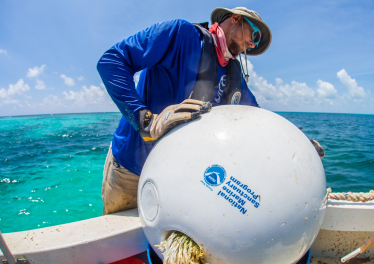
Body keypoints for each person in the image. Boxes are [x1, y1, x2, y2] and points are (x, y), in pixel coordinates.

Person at [97, 7, 272, 215]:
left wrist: (294, 142)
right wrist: (147, 121)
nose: (253, 44)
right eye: (255, 35)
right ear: (235, 19)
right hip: (131, 169)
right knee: (121, 244)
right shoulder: (180, 34)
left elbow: (257, 117)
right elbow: (112, 61)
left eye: (257, 43)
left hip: (179, 178)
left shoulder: (235, 76)